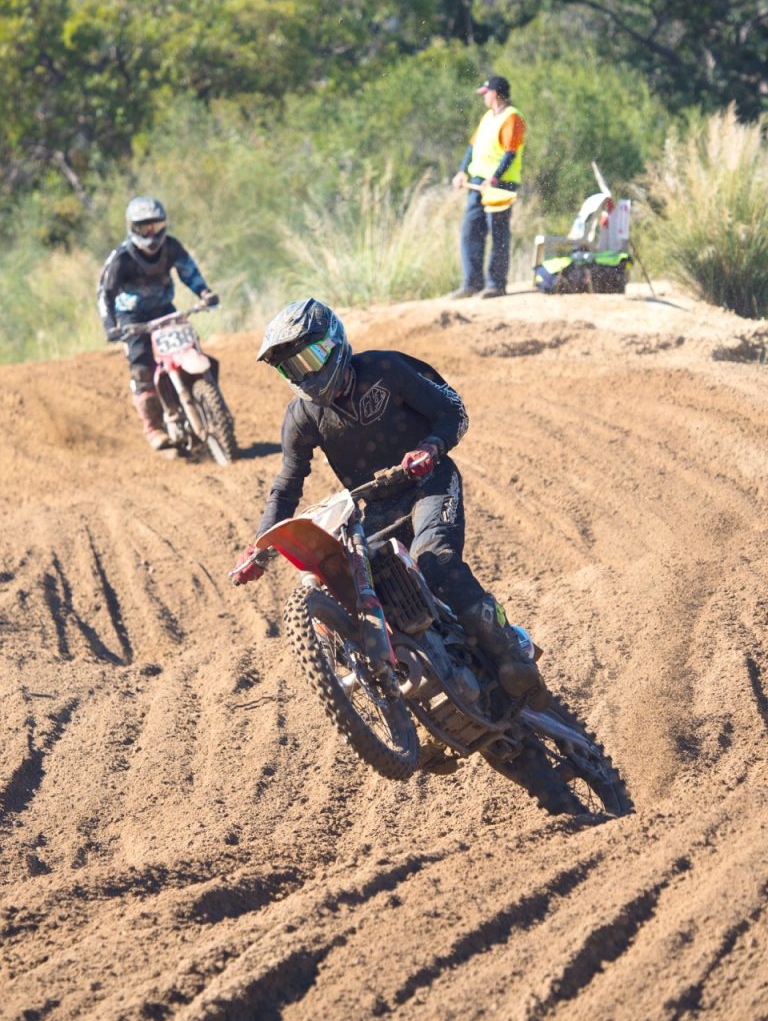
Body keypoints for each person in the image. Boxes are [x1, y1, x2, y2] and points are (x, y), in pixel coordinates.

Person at [231, 297, 548, 709]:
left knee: (434, 559)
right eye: (292, 367)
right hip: (377, 511)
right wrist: (261, 545)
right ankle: (415, 704)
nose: (305, 374)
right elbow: (286, 486)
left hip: (429, 483)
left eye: (309, 358)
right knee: (370, 597)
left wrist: (431, 448)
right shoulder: (302, 417)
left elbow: (452, 410)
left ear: (333, 343)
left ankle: (509, 653)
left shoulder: (385, 369)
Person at [97, 196, 219, 450]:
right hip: (133, 319)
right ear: (132, 228)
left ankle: (209, 402)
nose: (151, 233)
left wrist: (204, 293)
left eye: (156, 225)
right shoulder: (122, 258)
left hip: (165, 310)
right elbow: (104, 293)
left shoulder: (171, 247)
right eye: (144, 228)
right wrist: (111, 325)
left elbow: (189, 271)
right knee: (142, 370)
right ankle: (154, 428)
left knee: (194, 351)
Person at [450, 75, 526, 300]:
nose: (484, 98)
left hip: (499, 185)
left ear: (495, 93)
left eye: (486, 93)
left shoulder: (513, 118)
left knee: (499, 233)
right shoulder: (487, 117)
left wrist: (494, 178)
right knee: (470, 231)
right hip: (476, 183)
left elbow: (510, 152)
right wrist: (462, 170)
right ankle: (472, 283)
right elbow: (472, 148)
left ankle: (495, 284)